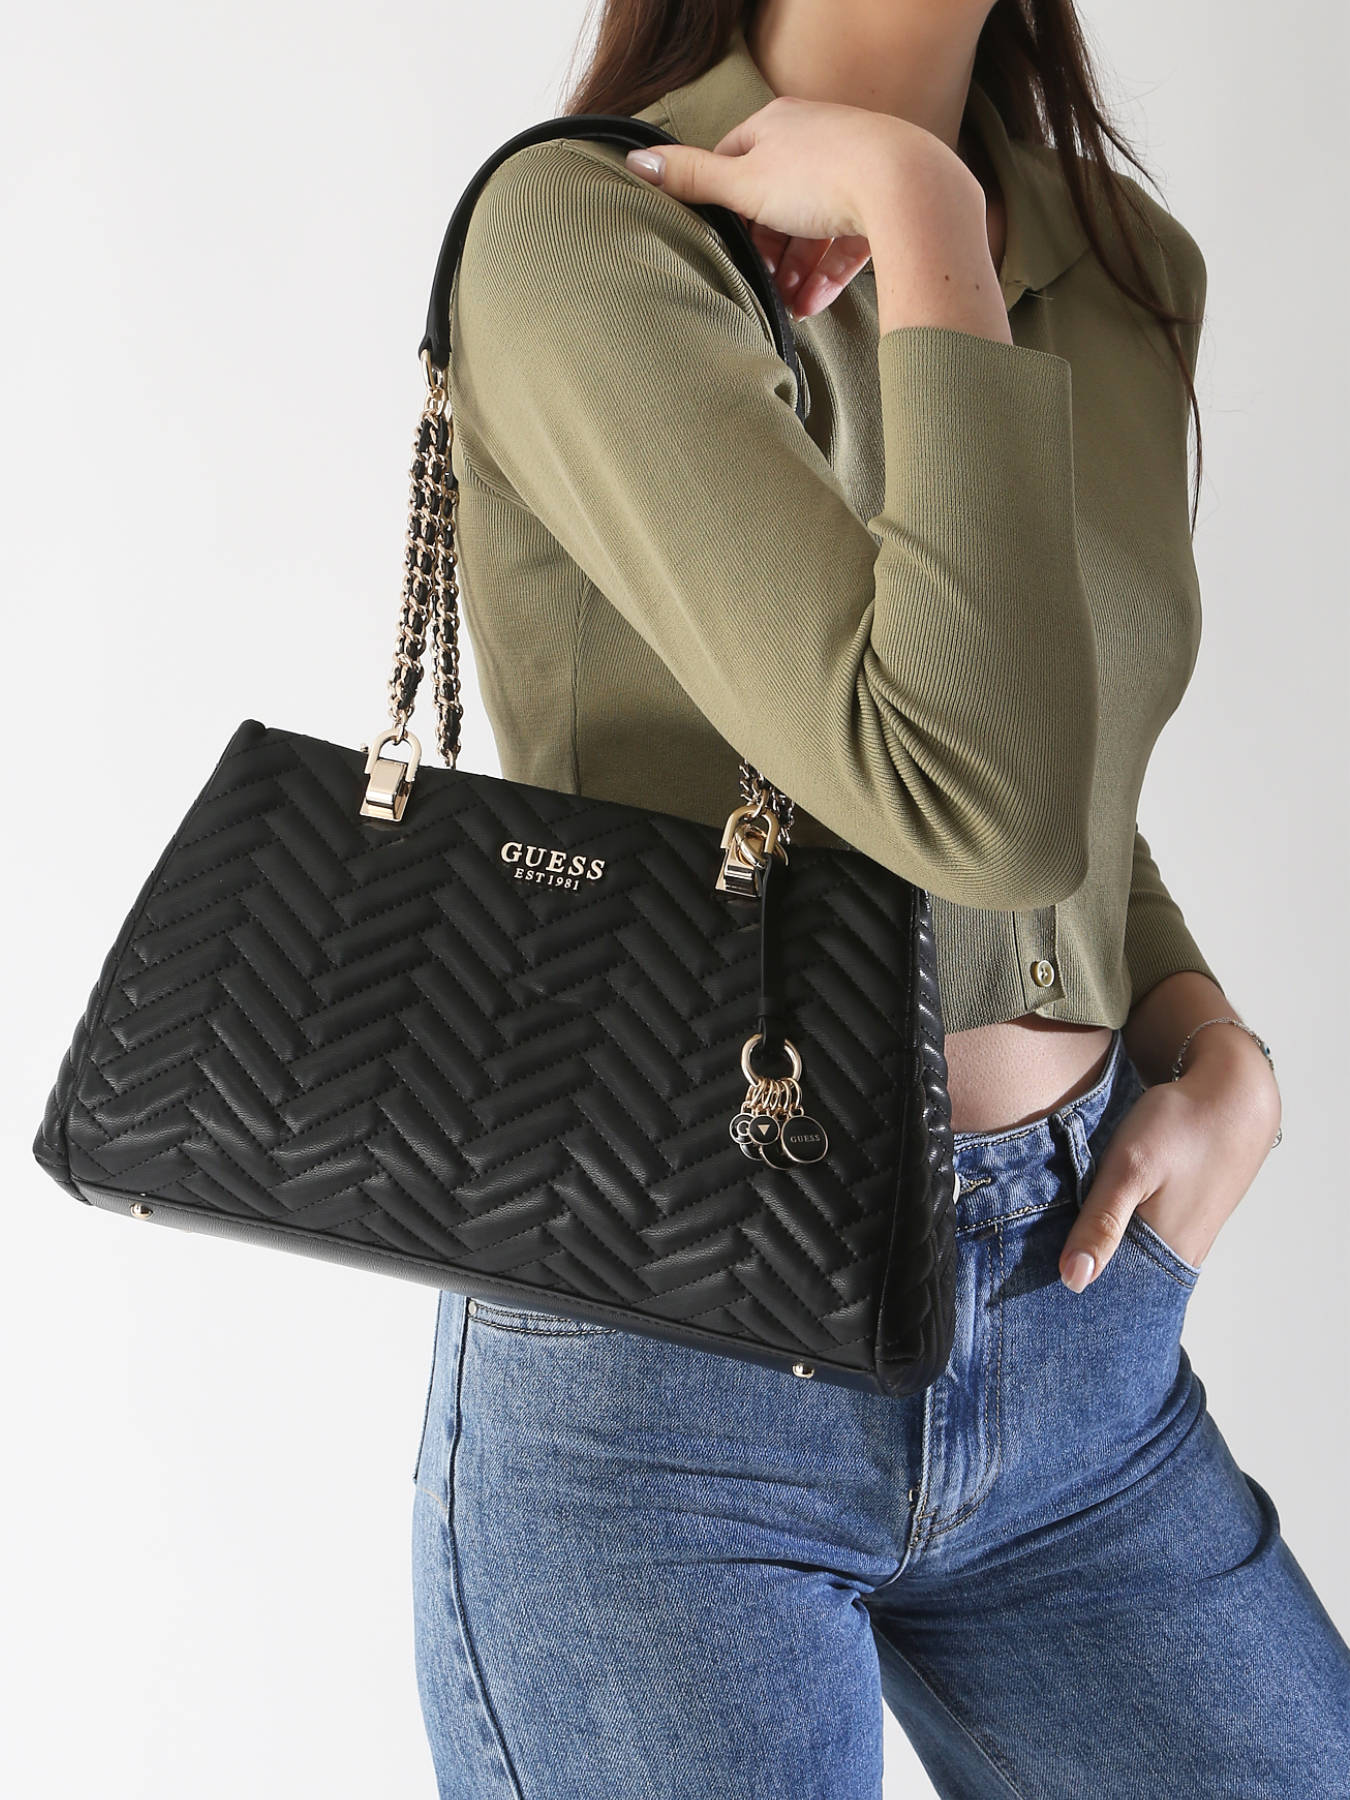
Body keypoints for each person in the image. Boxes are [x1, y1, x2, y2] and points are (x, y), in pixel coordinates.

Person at [409, 3, 1350, 1793]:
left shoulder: (1118, 264)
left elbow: (1061, 773)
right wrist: (922, 221)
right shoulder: (586, 235)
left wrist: (1195, 1022)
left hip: (1076, 1336)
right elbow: (964, 791)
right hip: (671, 1363)